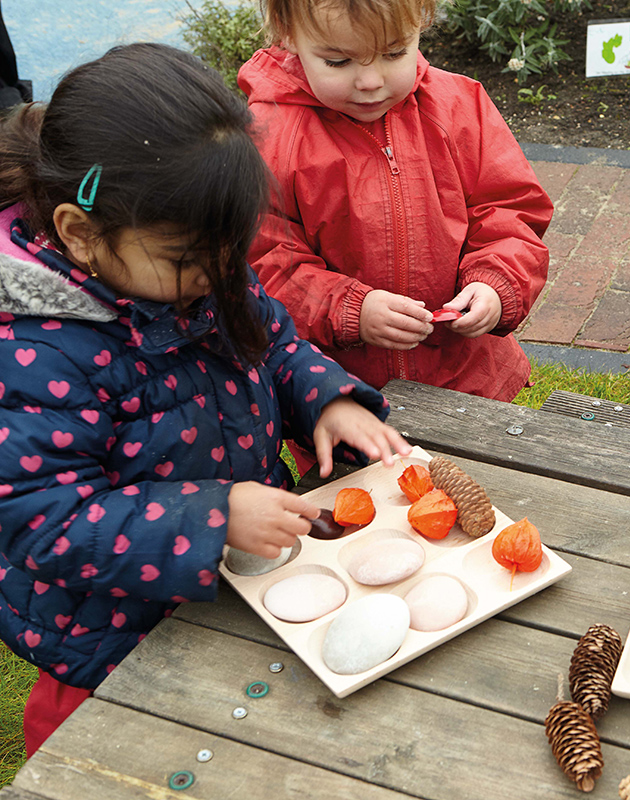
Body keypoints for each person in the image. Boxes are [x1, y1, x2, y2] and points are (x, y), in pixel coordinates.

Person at [0, 43, 410, 756]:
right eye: (192, 261)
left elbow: (271, 342)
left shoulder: (196, 263)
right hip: (110, 633)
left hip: (234, 575)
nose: (220, 277)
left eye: (232, 255)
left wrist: (325, 399)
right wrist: (212, 515)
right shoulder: (33, 352)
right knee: (110, 756)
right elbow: (41, 521)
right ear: (78, 231)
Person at [238, 0, 553, 408]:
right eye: (338, 61)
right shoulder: (269, 135)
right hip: (340, 390)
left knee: (478, 474)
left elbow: (510, 210)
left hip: (466, 376)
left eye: (393, 53)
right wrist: (351, 309)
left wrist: (495, 283)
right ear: (288, 36)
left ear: (420, 24)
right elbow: (262, 260)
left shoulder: (458, 105)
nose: (370, 81)